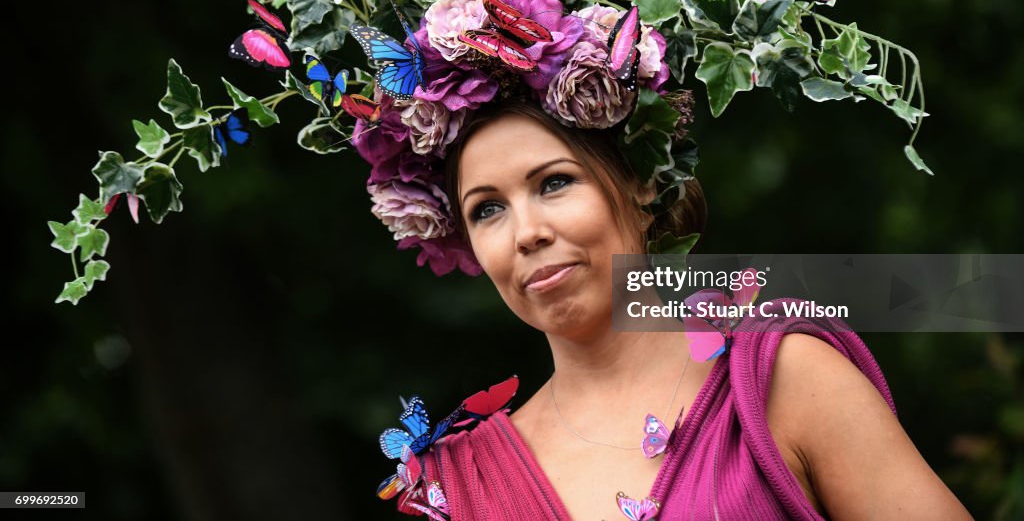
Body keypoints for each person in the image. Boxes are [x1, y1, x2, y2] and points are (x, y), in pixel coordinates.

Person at [402, 98, 971, 520]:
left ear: (640, 184)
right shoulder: (459, 484)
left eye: (554, 183)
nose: (526, 233)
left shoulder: (783, 381)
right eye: (487, 210)